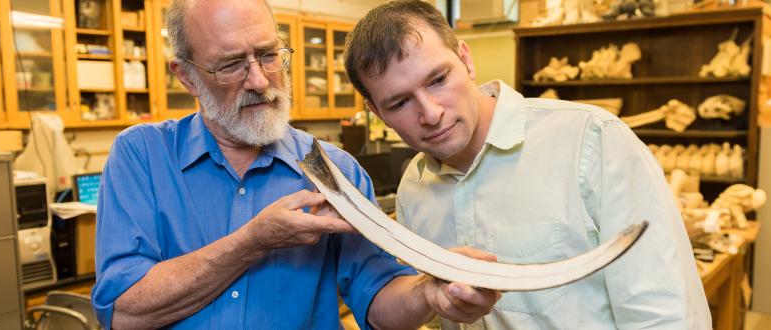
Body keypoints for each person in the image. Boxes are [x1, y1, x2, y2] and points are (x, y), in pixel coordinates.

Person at [90, 0, 501, 329]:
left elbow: (377, 301)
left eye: (269, 55)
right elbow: (123, 313)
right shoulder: (141, 156)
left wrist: (427, 294)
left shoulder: (336, 172)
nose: (259, 80)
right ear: (187, 76)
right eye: (231, 64)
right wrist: (253, 241)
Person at [344, 1, 712, 329]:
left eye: (439, 79)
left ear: (466, 60)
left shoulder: (592, 141)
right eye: (399, 103)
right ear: (377, 112)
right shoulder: (414, 187)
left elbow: (666, 313)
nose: (431, 113)